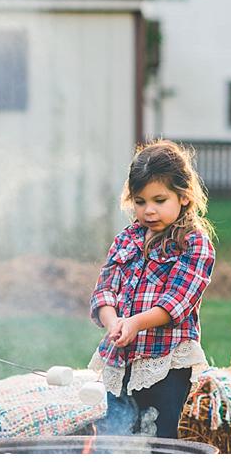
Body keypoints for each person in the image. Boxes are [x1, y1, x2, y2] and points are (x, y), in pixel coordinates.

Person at [89, 140, 216, 439]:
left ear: (183, 197)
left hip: (166, 363)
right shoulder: (125, 240)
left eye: (159, 200)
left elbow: (177, 301)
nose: (149, 210)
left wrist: (135, 322)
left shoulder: (194, 244)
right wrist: (114, 322)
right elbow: (104, 290)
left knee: (159, 437)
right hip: (120, 359)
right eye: (141, 201)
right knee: (114, 435)